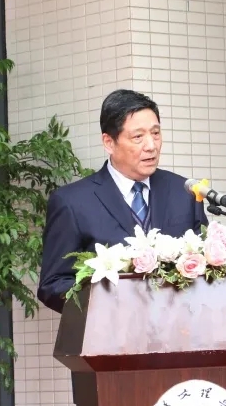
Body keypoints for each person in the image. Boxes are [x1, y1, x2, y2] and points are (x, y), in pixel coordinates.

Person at [36, 89, 208, 313]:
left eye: (156, 133)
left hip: (179, 328)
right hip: (110, 330)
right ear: (109, 142)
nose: (151, 145)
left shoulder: (183, 192)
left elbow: (207, 267)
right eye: (138, 137)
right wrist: (112, 305)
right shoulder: (72, 202)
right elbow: (53, 285)